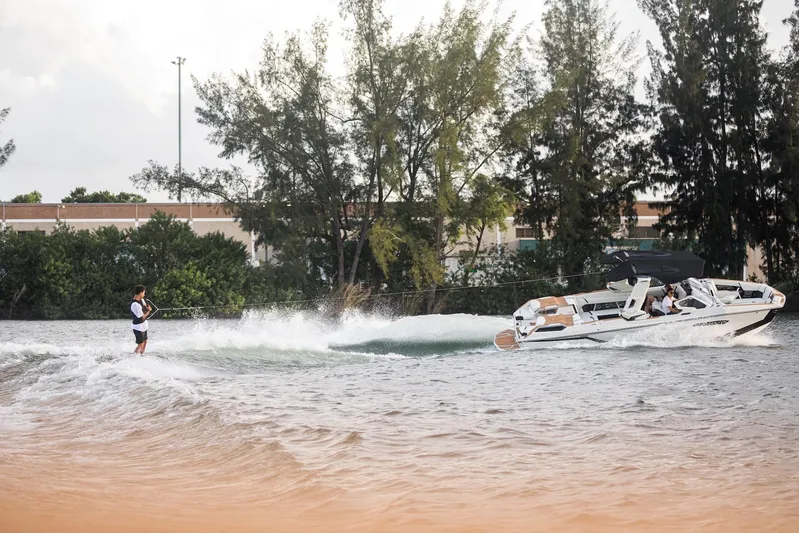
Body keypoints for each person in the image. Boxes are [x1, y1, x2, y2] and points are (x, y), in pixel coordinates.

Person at [131, 285, 151, 354]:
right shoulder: (135, 305)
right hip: (138, 327)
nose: (144, 294)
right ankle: (133, 357)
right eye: (144, 293)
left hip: (143, 326)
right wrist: (148, 312)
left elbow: (145, 307)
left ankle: (142, 355)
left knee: (145, 341)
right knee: (140, 344)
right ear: (140, 293)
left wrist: (147, 308)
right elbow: (141, 318)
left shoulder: (142, 300)